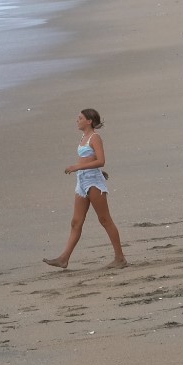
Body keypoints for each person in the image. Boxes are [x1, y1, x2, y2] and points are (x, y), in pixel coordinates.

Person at [44, 109, 126, 270]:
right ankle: (64, 259)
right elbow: (91, 159)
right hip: (81, 181)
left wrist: (78, 166)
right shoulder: (83, 137)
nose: (77, 120)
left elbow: (101, 160)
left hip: (93, 182)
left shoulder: (95, 138)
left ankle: (120, 258)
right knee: (76, 222)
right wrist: (82, 169)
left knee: (104, 219)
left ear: (89, 121)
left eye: (80, 118)